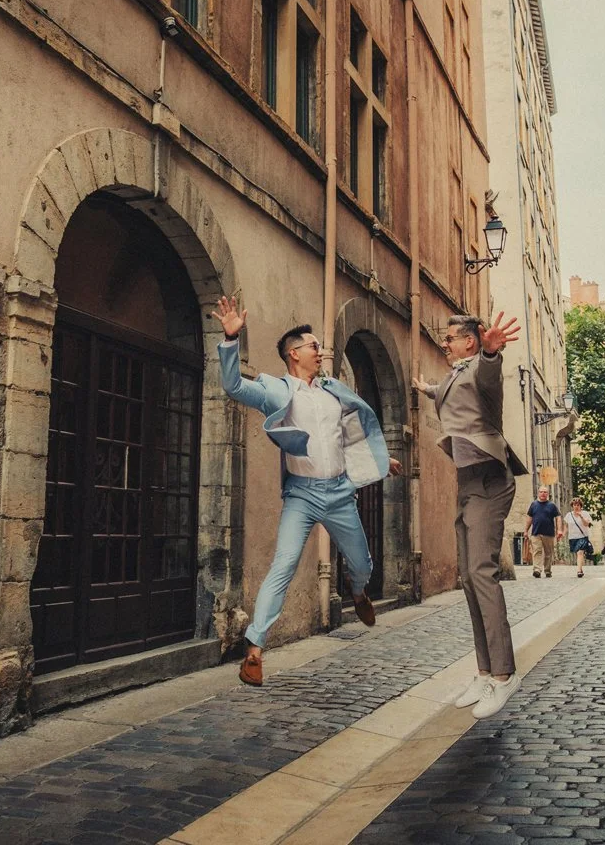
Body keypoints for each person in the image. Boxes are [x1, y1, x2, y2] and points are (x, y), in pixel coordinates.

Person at [211, 296, 400, 687]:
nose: (321, 352)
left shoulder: (334, 391)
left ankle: (359, 590)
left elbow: (352, 435)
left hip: (339, 492)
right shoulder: (276, 391)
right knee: (283, 565)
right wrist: (230, 341)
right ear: (294, 354)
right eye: (315, 346)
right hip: (302, 493)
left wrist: (382, 462)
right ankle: (254, 653)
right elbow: (232, 385)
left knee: (362, 562)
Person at [413, 312, 527, 720]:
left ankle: (503, 674)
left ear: (470, 343)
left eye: (450, 339)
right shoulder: (455, 373)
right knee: (467, 576)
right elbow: (443, 392)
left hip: (491, 480)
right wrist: (425, 387)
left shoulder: (481, 369)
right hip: (467, 481)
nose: (443, 343)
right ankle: (484, 671)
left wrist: (493, 352)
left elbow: (489, 379)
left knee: (481, 573)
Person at [526, 486, 559, 579]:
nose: (543, 494)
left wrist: (559, 530)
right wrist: (526, 530)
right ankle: (537, 570)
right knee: (537, 551)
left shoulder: (552, 505)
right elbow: (529, 518)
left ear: (547, 494)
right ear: (538, 493)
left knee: (548, 553)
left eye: (545, 492)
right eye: (541, 492)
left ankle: (547, 570)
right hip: (536, 532)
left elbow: (558, 517)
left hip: (549, 533)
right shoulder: (533, 505)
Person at [563, 497, 593, 578]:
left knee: (580, 552)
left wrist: (581, 517)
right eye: (574, 505)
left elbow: (587, 524)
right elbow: (566, 526)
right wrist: (563, 534)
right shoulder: (568, 515)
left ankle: (579, 571)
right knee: (578, 553)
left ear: (581, 506)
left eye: (578, 505)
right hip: (572, 537)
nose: (576, 506)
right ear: (572, 506)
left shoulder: (585, 513)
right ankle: (581, 568)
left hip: (583, 537)